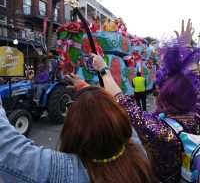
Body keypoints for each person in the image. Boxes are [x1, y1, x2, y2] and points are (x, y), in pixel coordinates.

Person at [90, 19, 200, 183]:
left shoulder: (162, 131)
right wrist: (184, 48)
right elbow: (186, 79)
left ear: (165, 95)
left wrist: (103, 69)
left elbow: (123, 102)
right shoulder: (196, 116)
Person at [0, 81, 152, 181]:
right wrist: (90, 92)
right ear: (120, 122)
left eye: (69, 106)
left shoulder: (68, 173)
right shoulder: (138, 152)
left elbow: (6, 147)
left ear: (74, 130)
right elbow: (122, 106)